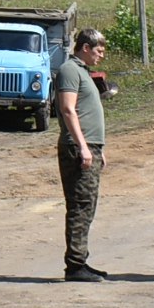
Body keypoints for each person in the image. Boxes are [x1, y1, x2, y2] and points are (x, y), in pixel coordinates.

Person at [52, 28, 109, 282]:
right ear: (85, 47)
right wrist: (84, 147)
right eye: (98, 50)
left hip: (90, 147)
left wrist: (98, 148)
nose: (101, 55)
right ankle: (75, 266)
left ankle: (80, 260)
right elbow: (67, 109)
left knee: (88, 205)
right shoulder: (70, 70)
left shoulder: (81, 72)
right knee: (80, 205)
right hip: (78, 149)